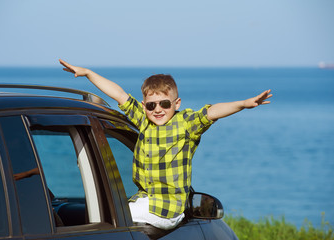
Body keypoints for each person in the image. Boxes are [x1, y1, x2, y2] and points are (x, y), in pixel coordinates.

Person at [59, 59, 272, 230]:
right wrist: (88, 73)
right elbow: (120, 94)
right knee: (106, 214)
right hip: (147, 201)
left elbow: (211, 112)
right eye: (151, 105)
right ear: (144, 106)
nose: (158, 110)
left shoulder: (185, 124)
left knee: (108, 219)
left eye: (165, 104)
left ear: (176, 103)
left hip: (167, 209)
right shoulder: (143, 121)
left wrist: (243, 104)